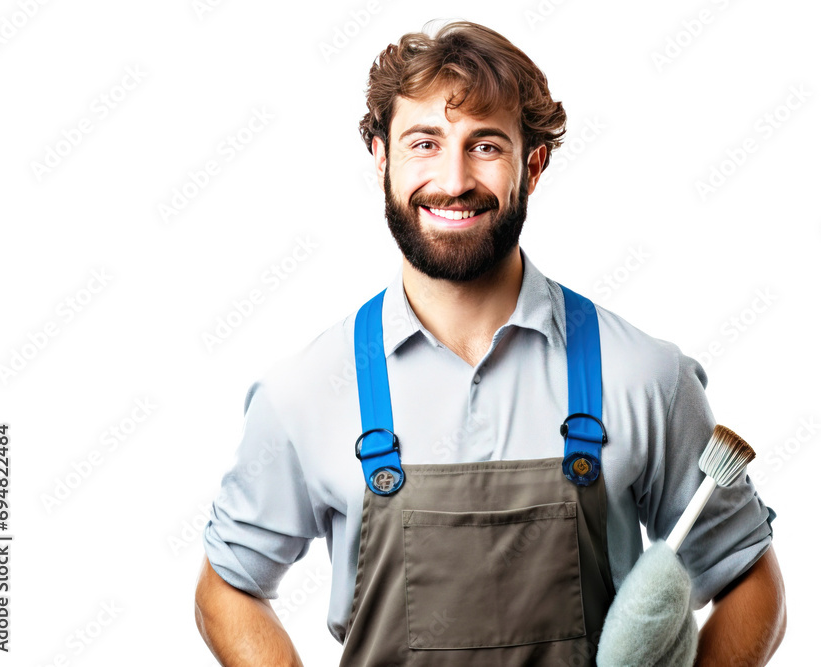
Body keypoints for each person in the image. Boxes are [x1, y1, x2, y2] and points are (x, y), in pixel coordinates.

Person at [194, 19, 786, 666]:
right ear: (381, 157)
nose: (453, 179)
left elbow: (751, 583)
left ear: (532, 165)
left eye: (485, 145)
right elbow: (227, 585)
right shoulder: (305, 391)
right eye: (424, 142)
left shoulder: (644, 375)